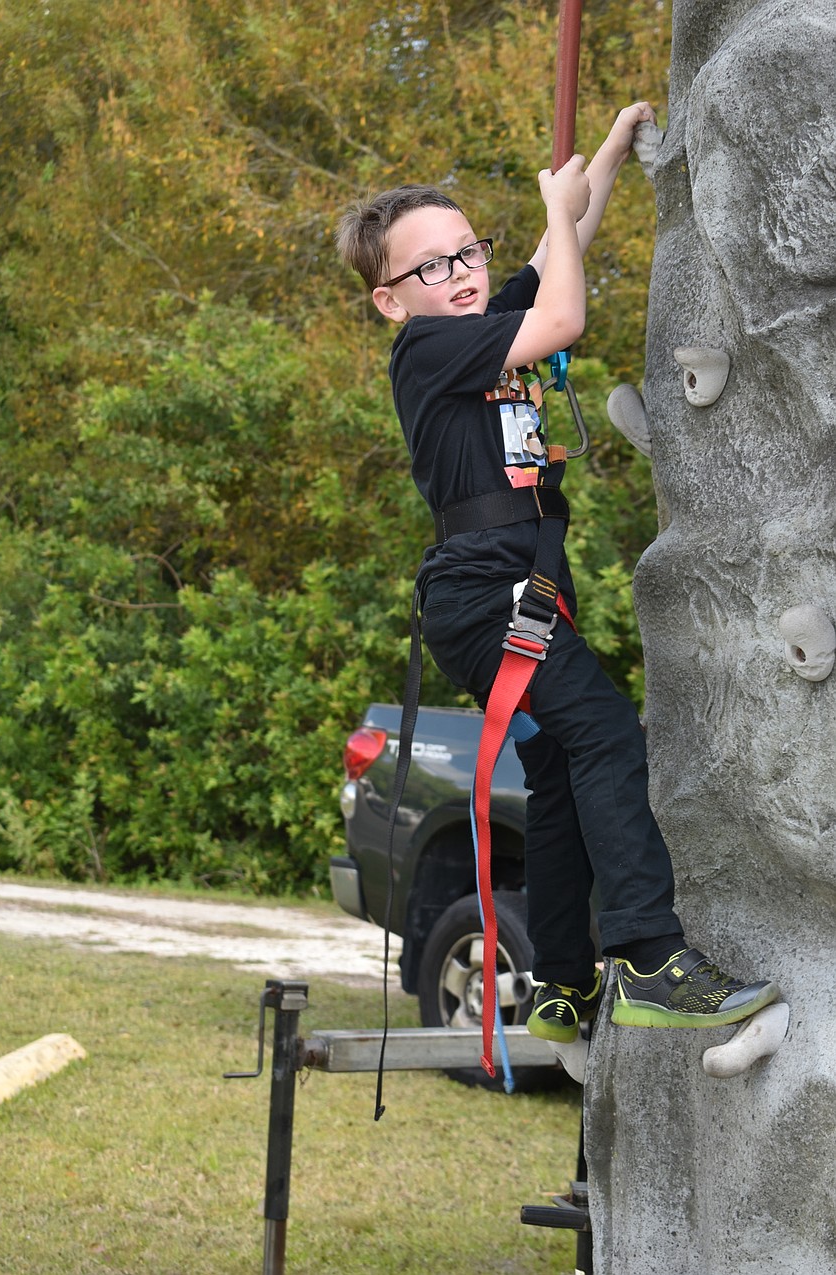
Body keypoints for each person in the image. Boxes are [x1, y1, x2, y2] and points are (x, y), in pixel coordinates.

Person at [336, 103, 778, 1042]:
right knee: (610, 735)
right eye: (431, 267)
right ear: (390, 298)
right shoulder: (426, 349)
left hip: (516, 591)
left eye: (468, 252)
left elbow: (558, 247)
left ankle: (564, 983)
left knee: (565, 767)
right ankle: (649, 954)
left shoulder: (478, 322)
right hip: (482, 597)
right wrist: (551, 208)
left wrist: (603, 162)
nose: (461, 275)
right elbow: (566, 309)